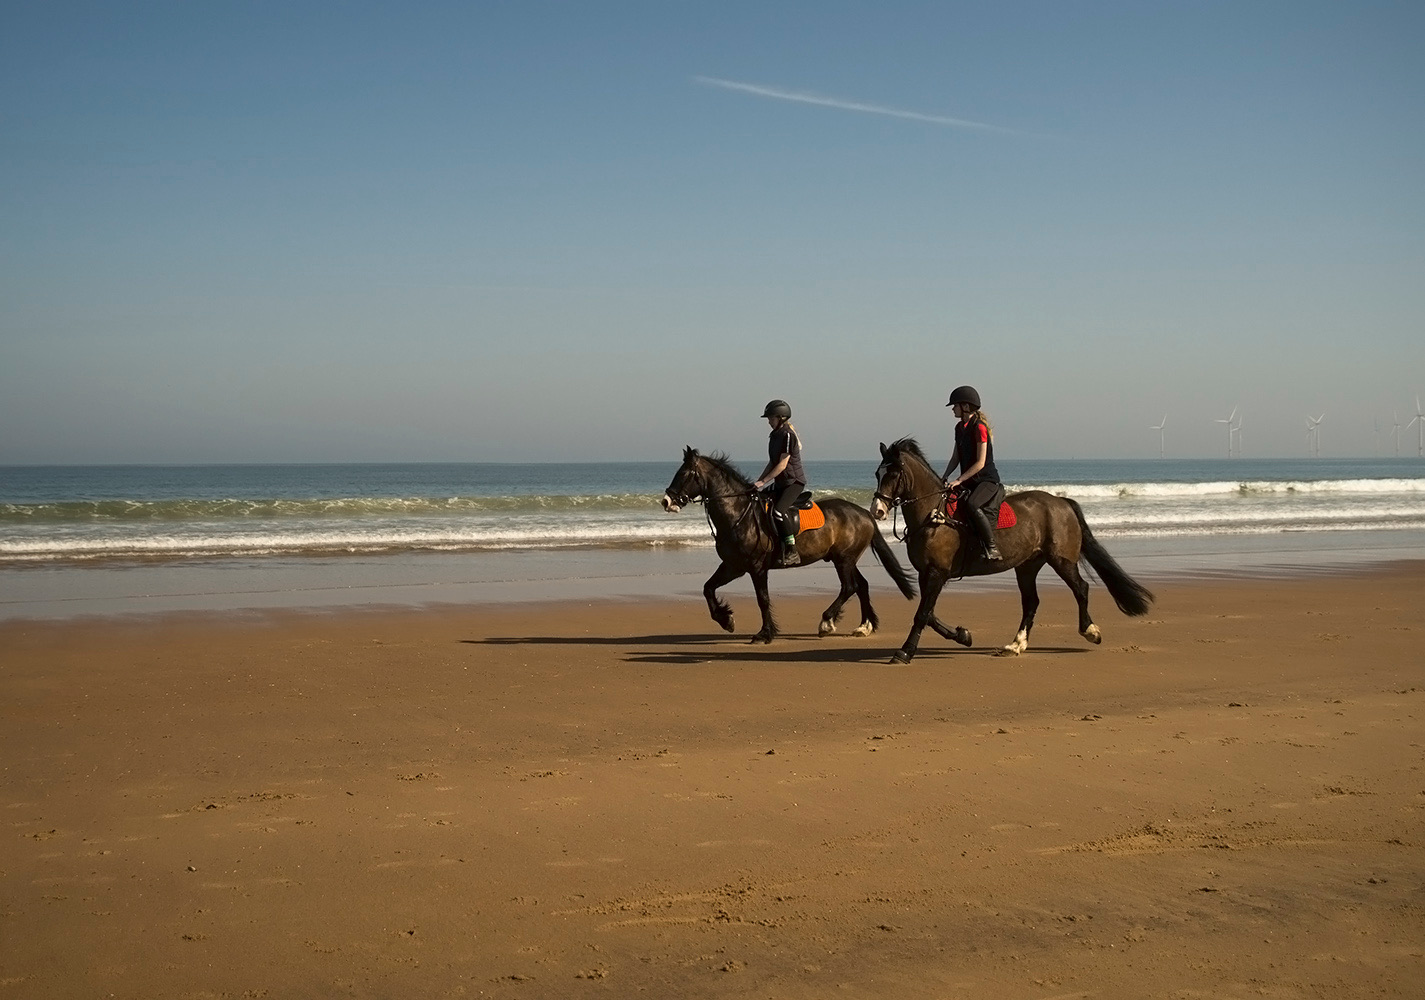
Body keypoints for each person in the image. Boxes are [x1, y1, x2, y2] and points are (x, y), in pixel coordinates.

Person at [942, 385, 1004, 561]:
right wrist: (944, 477)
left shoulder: (980, 428)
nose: (953, 409)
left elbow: (980, 463)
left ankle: (992, 548)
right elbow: (955, 458)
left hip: (986, 481)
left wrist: (959, 480)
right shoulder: (959, 428)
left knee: (972, 505)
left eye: (955, 406)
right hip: (970, 481)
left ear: (965, 407)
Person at [751, 399, 806, 566]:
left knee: (778, 512)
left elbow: (782, 464)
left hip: (793, 482)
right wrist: (759, 482)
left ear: (781, 417)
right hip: (781, 482)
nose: (769, 421)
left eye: (771, 418)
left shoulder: (788, 435)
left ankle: (791, 549)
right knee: (756, 502)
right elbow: (771, 463)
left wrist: (765, 481)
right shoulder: (774, 436)